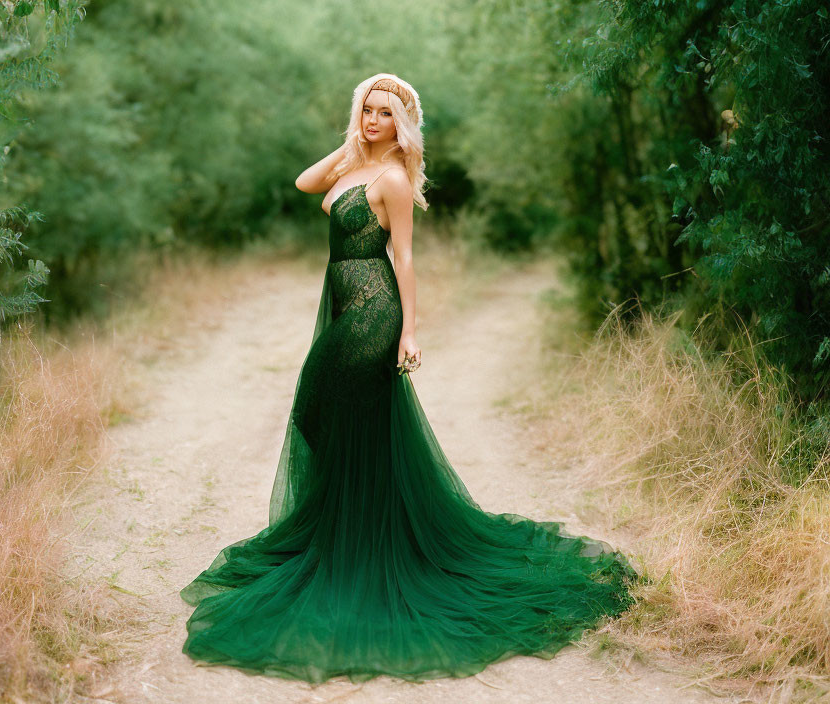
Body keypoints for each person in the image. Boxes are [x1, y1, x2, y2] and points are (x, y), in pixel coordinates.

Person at [179, 72, 641, 684]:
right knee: (322, 413)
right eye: (367, 111)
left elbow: (403, 258)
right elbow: (304, 183)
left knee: (338, 415)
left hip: (374, 315)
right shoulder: (356, 166)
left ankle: (366, 546)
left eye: (385, 114)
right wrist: (354, 143)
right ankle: (345, 531)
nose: (374, 121)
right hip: (346, 307)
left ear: (404, 125)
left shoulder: (393, 180)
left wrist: (410, 331)